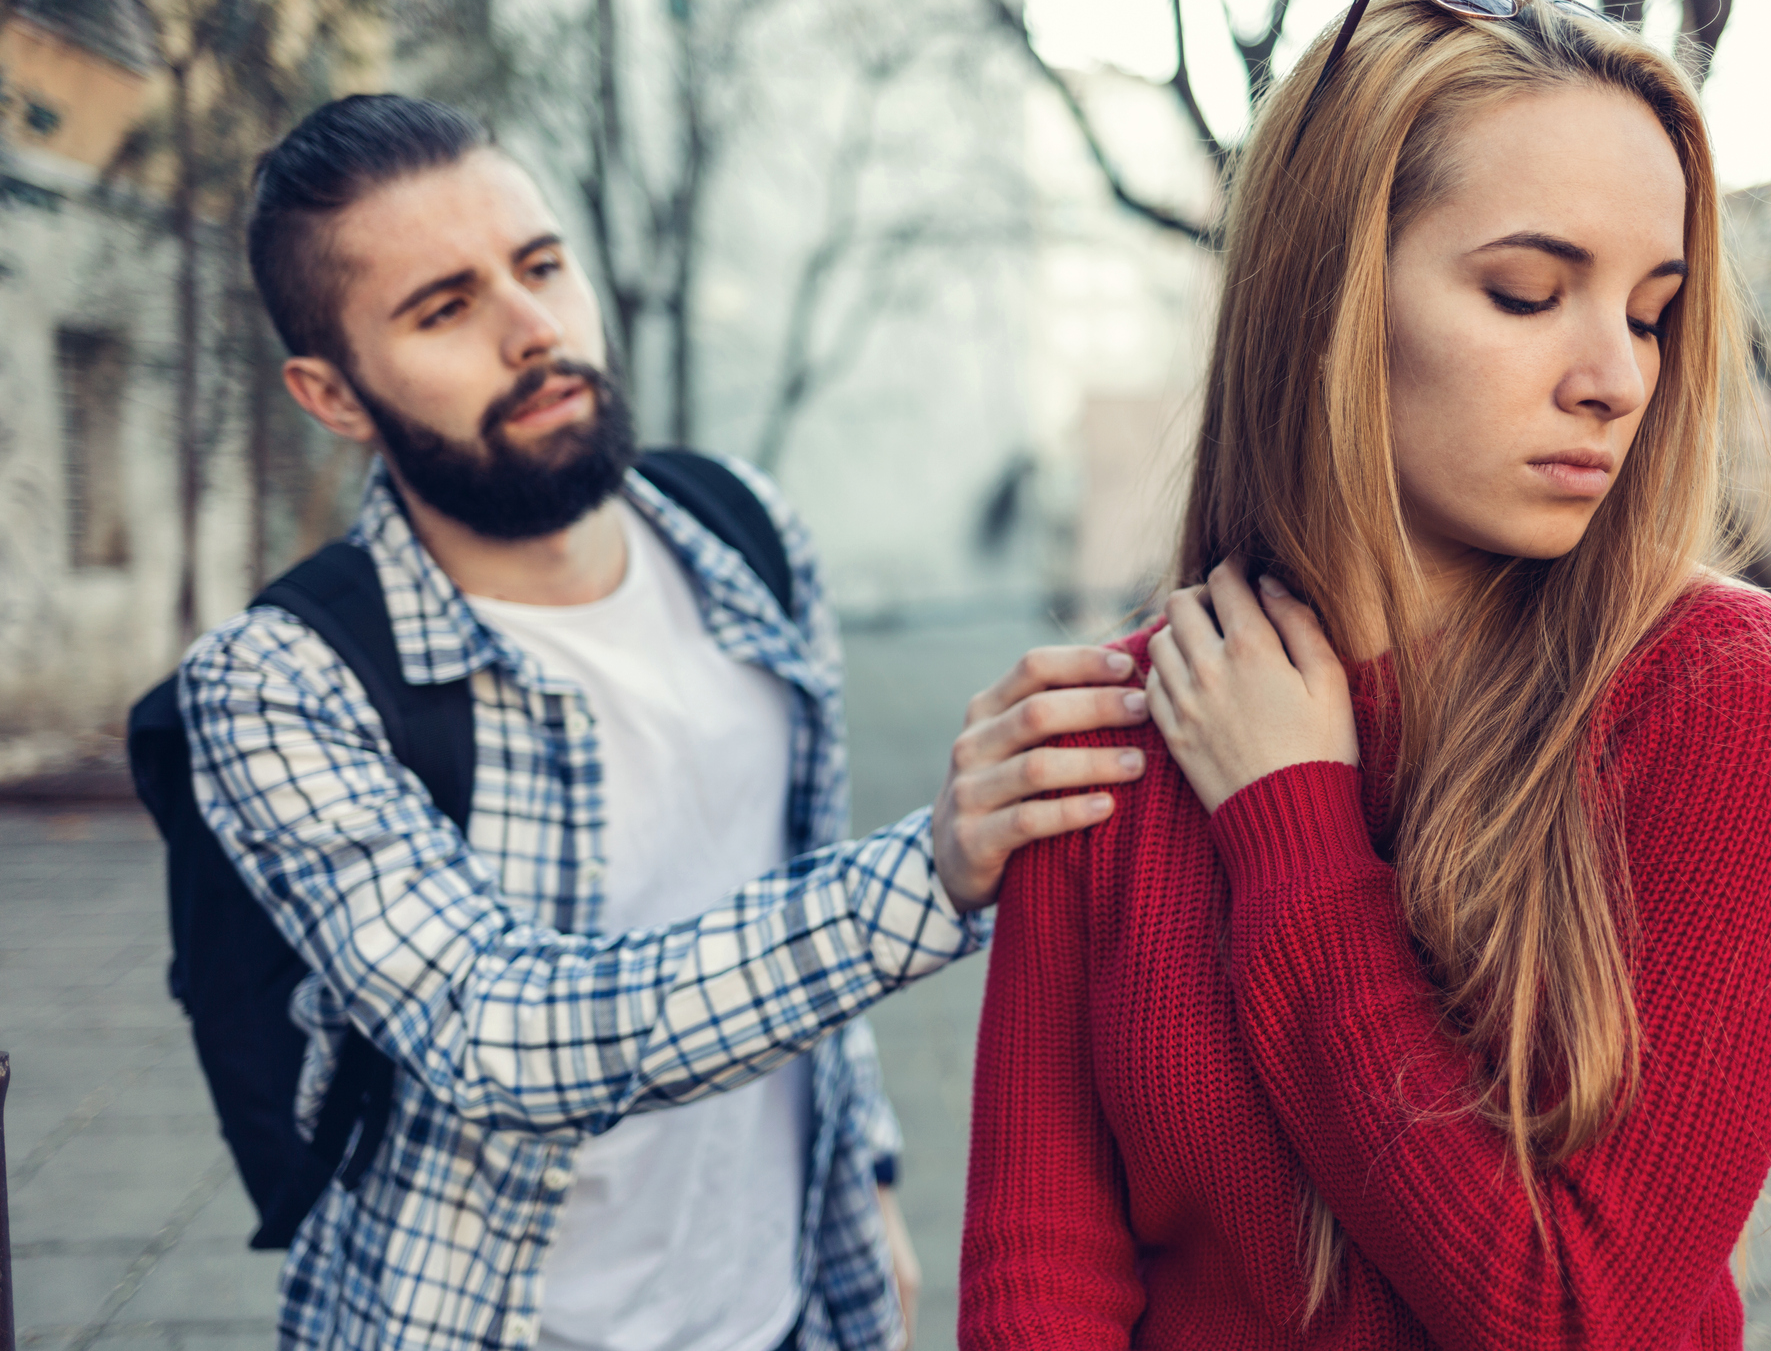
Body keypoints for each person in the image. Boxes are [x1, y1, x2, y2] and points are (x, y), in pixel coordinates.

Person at [959, 0, 1771, 1350]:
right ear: (1328, 298)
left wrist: (1291, 827)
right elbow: (1039, 1290)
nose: (1614, 374)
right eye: (1527, 290)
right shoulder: (1113, 726)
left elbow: (1569, 1317)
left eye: (1650, 310)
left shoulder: (1718, 691)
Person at [180, 93, 1149, 1351]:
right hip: (481, 1318)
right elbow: (497, 1033)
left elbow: (786, 877)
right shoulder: (278, 681)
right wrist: (926, 873)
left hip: (785, 1298)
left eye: (539, 266)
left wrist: (870, 1177)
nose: (532, 330)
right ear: (333, 393)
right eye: (444, 307)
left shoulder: (744, 537)